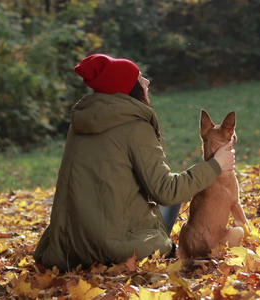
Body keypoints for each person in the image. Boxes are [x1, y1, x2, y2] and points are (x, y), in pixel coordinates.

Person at [33, 54, 236, 271]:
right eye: (140, 78)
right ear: (129, 89)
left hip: (68, 246)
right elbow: (166, 192)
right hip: (112, 247)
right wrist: (215, 165)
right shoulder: (135, 126)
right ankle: (162, 251)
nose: (147, 82)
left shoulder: (80, 124)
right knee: (174, 190)